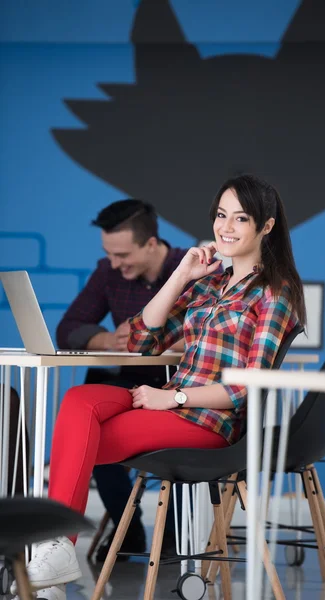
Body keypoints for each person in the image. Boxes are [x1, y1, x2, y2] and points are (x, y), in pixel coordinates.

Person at [13, 174, 306, 600]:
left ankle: (56, 559)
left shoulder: (274, 294)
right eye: (221, 215)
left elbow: (246, 388)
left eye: (240, 218)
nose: (225, 227)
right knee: (78, 400)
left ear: (266, 226)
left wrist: (175, 398)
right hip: (171, 404)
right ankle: (57, 560)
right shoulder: (207, 285)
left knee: (81, 438)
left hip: (208, 419)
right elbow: (140, 341)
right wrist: (182, 275)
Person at [56, 199, 190, 561]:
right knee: (87, 425)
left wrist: (170, 341)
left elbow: (213, 338)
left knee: (176, 445)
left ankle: (175, 538)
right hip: (124, 385)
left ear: (151, 243)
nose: (115, 264)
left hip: (177, 389)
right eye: (109, 254)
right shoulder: (108, 272)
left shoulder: (189, 270)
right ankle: (126, 528)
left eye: (122, 255)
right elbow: (67, 328)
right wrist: (106, 339)